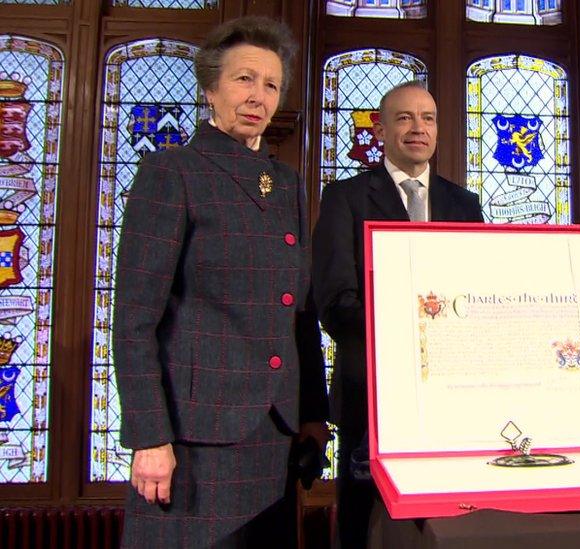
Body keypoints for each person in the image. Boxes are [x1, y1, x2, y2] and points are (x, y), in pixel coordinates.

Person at [113, 16, 328, 548]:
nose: (258, 95)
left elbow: (298, 311)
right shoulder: (172, 172)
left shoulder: (285, 185)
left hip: (274, 433)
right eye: (244, 79)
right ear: (210, 88)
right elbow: (135, 322)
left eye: (272, 84)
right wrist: (149, 437)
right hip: (194, 438)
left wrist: (313, 416)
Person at [312, 80, 483, 548]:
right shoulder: (344, 198)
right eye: (404, 118)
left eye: (427, 118)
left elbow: (477, 296)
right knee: (365, 522)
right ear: (382, 127)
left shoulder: (464, 205)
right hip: (371, 388)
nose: (417, 128)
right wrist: (412, 329)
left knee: (443, 521)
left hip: (452, 390)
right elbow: (334, 304)